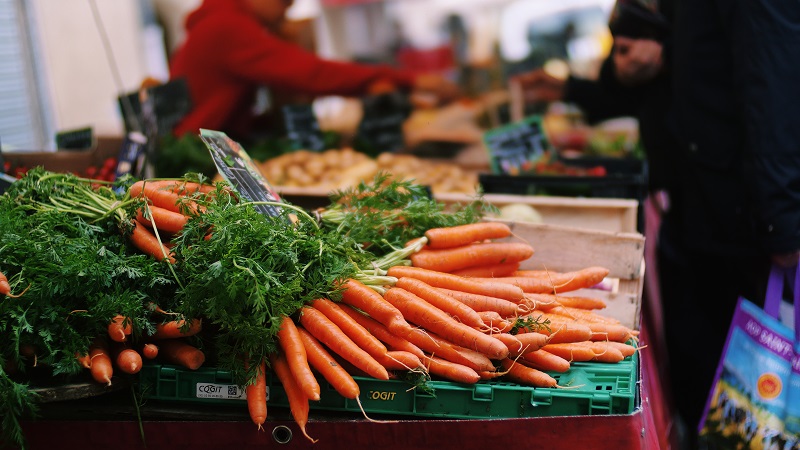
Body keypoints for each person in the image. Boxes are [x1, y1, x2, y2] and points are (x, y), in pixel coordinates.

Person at [168, 0, 460, 143]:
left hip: (209, 143)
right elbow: (313, 75)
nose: (288, 9)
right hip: (198, 153)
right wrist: (409, 79)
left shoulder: (223, 21)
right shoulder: (228, 27)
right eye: (284, 1)